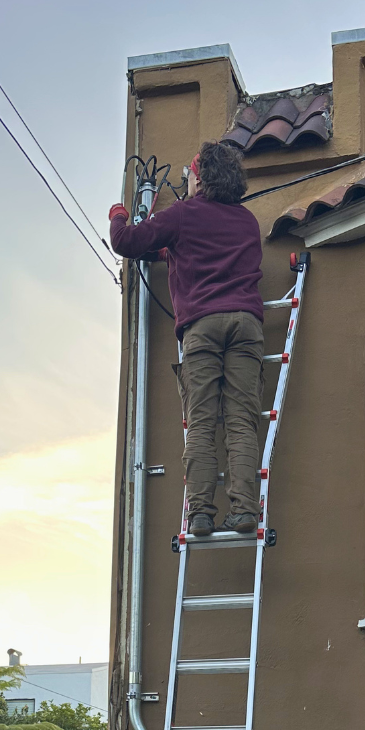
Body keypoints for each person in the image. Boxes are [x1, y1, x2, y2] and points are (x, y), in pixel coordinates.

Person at [109, 141, 264, 536]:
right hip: (246, 325)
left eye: (190, 175)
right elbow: (212, 251)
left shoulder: (182, 214)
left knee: (201, 423)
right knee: (241, 423)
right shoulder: (248, 221)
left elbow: (125, 241)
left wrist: (118, 214)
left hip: (203, 327)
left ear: (200, 178)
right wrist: (170, 253)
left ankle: (200, 515)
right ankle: (245, 510)